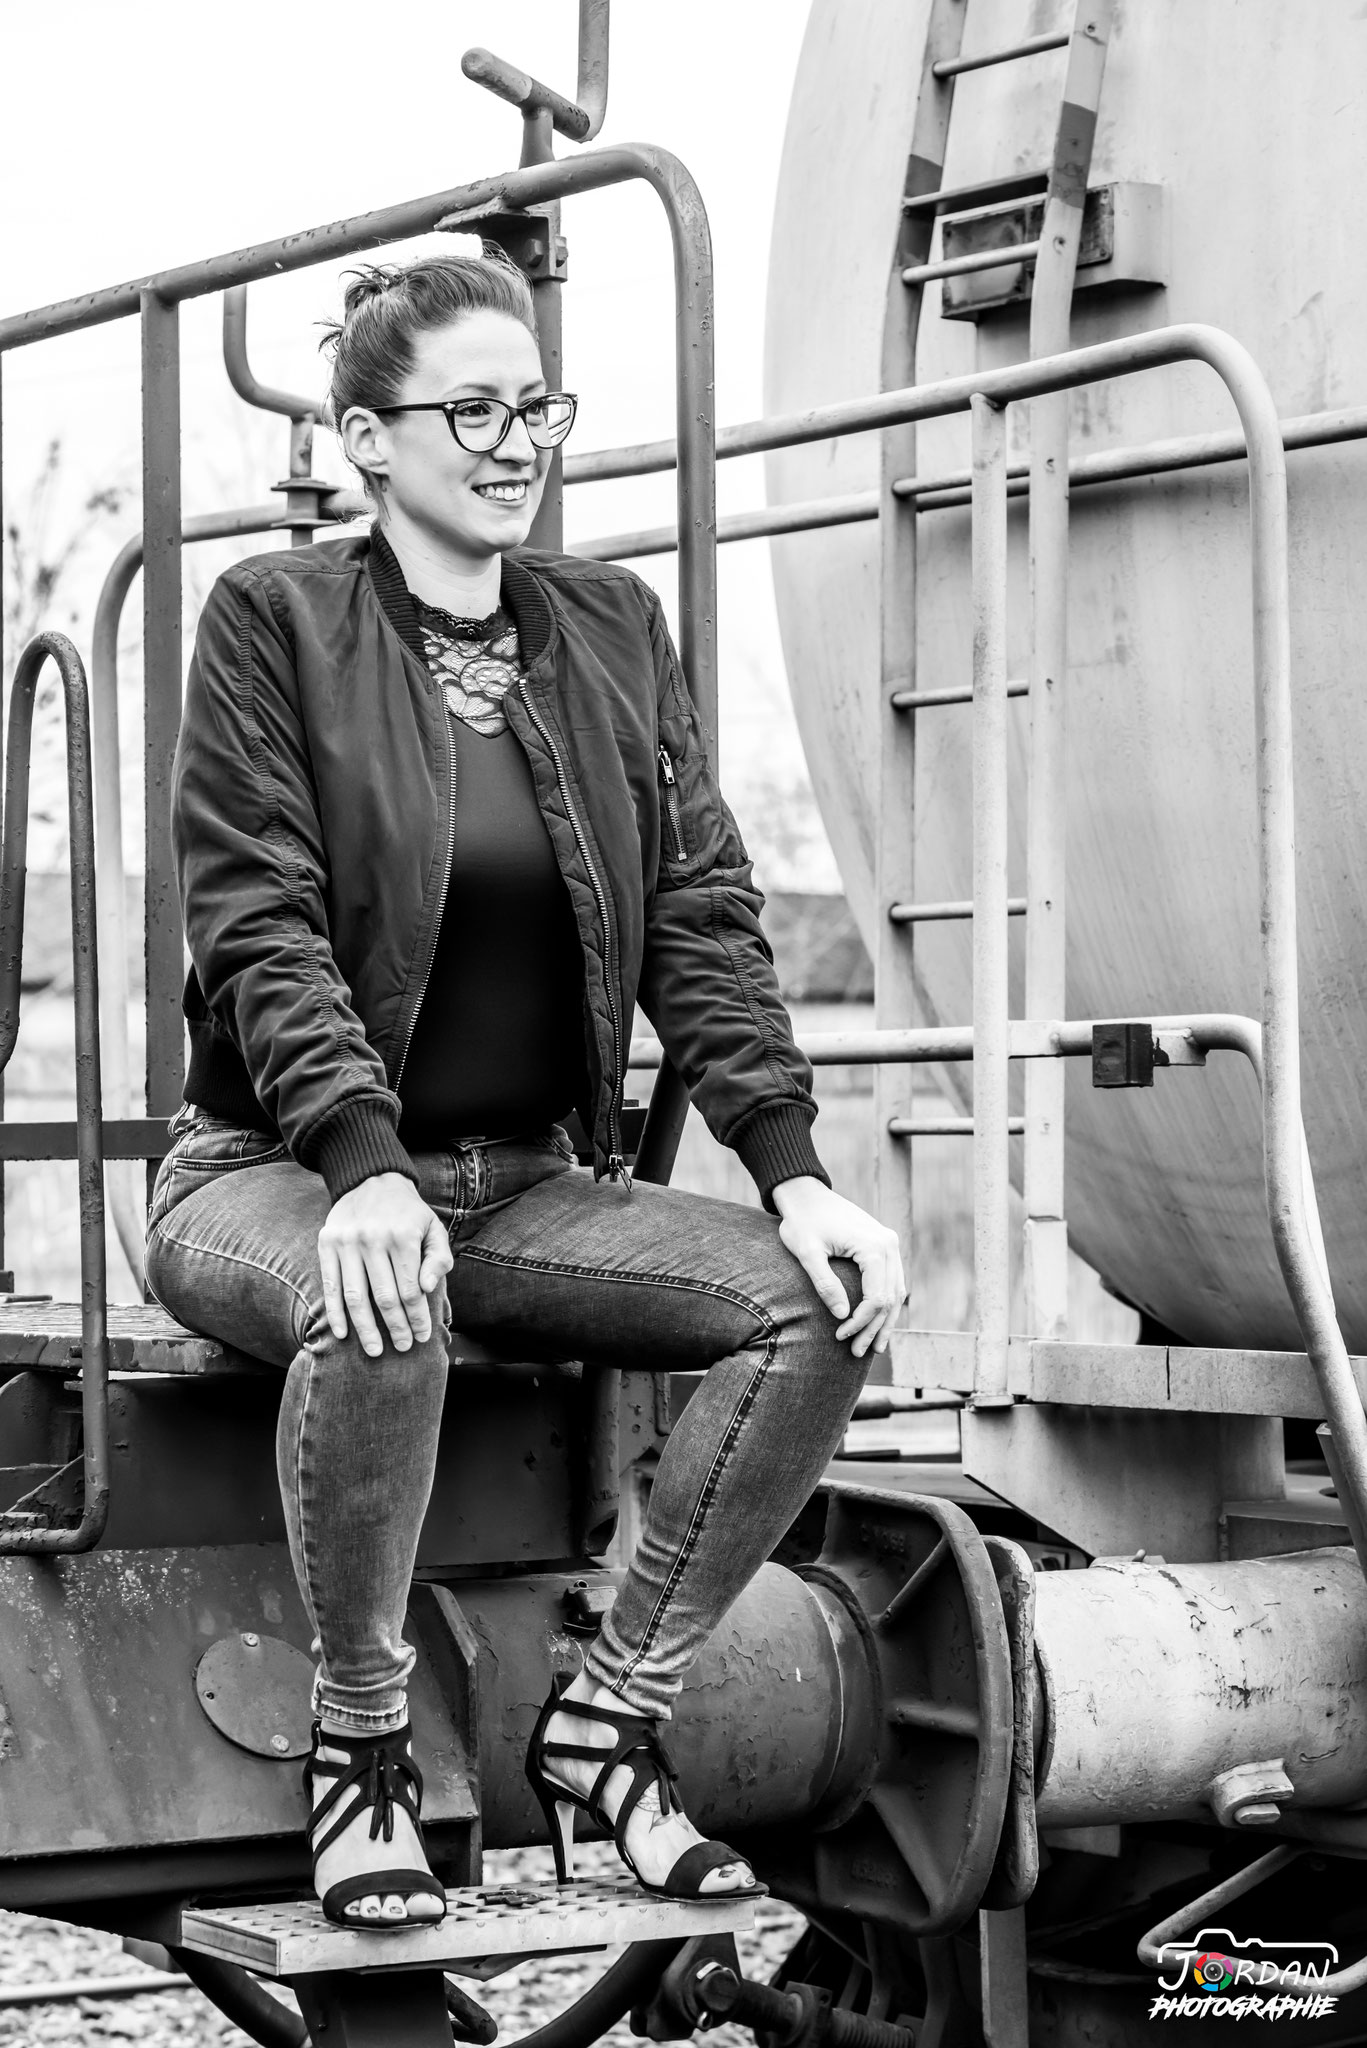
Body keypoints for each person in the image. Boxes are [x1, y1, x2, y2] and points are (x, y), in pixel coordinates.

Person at [146, 249, 906, 1933]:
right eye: (471, 410)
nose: (514, 444)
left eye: (535, 407)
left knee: (817, 1306)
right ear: (367, 438)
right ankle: (360, 1742)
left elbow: (702, 912)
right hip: (269, 1171)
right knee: (381, 1292)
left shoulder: (612, 629)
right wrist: (363, 1166)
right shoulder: (275, 622)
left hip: (525, 1185)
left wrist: (794, 1174)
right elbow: (259, 921)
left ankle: (610, 1721)